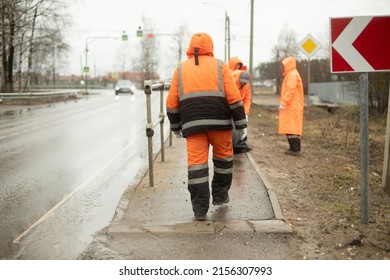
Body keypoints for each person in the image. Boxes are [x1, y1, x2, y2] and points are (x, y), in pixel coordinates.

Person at [166, 33, 247, 221]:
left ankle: (200, 209)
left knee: (196, 168)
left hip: (193, 126)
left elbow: (171, 102)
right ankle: (220, 195)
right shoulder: (220, 66)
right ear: (210, 47)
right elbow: (234, 96)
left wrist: (176, 126)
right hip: (220, 125)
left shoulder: (180, 69)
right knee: (224, 161)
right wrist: (241, 124)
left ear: (190, 47)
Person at [278, 56, 304, 156]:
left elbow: (290, 90)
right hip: (293, 105)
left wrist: (284, 102)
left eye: (284, 65)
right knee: (292, 126)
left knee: (291, 127)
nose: (283, 67)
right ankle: (294, 148)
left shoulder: (292, 75)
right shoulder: (293, 74)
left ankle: (294, 149)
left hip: (291, 105)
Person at [231, 69, 252, 153]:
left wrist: (245, 113)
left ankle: (241, 144)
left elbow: (247, 99)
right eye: (242, 82)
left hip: (239, 107)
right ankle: (233, 144)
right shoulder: (232, 80)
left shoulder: (246, 85)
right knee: (232, 126)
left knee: (242, 125)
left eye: (245, 82)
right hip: (231, 106)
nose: (243, 83)